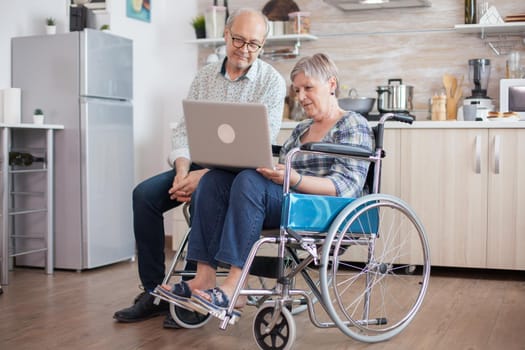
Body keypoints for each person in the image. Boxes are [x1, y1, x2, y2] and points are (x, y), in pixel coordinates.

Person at [154, 53, 374, 320]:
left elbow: (346, 186)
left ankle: (234, 287)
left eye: (308, 88)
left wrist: (294, 179)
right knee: (213, 181)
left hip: (325, 208)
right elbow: (279, 178)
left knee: (248, 181)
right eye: (297, 90)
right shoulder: (300, 130)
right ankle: (203, 278)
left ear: (331, 84)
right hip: (288, 202)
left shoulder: (353, 124)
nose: (301, 97)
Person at [113, 8, 287, 325]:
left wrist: (201, 175)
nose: (245, 50)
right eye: (239, 40)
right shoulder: (205, 76)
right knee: (144, 196)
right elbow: (184, 129)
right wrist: (182, 171)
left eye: (254, 44)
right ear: (225, 35)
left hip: (236, 172)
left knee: (209, 186)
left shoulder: (271, 83)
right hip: (195, 163)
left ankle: (196, 293)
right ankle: (153, 292)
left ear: (262, 45)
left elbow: (257, 146)